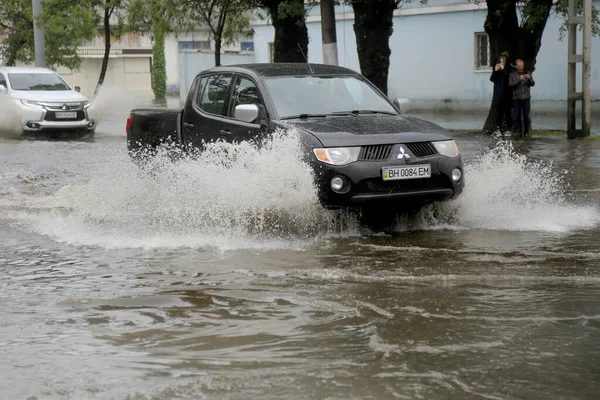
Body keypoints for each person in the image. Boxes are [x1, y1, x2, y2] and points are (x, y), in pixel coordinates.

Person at [509, 59, 535, 138]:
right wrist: (519, 80)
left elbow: (533, 83)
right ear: (516, 66)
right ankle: (518, 132)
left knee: (526, 115)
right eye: (519, 66)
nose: (521, 67)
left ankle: (526, 132)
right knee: (516, 116)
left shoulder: (527, 73)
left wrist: (529, 78)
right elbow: (511, 84)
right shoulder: (512, 75)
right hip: (517, 98)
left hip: (526, 98)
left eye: (522, 66)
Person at [489, 54, 514, 133]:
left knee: (508, 114)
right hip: (499, 96)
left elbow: (508, 77)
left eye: (503, 61)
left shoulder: (509, 69)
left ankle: (508, 130)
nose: (502, 62)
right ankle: (498, 130)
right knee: (499, 114)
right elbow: (492, 79)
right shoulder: (497, 69)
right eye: (500, 61)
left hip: (507, 96)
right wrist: (495, 71)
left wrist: (503, 70)